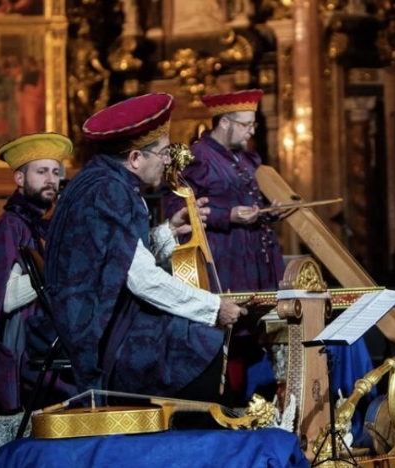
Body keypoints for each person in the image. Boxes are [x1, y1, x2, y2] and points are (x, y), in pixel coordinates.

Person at [44, 93, 245, 402]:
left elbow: (113, 257)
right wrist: (214, 308)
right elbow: (142, 279)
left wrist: (167, 232)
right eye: (164, 152)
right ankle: (199, 435)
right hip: (95, 330)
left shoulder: (103, 180)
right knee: (199, 338)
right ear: (136, 158)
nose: (168, 160)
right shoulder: (109, 191)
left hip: (100, 312)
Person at [162, 89, 284, 403]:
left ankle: (258, 404)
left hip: (256, 261)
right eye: (246, 124)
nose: (252, 131)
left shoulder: (247, 157)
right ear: (226, 122)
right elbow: (176, 206)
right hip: (226, 262)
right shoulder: (199, 156)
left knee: (255, 335)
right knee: (231, 336)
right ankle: (228, 404)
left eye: (253, 124)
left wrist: (274, 207)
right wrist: (226, 215)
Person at [0, 133, 71, 414]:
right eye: (41, 171)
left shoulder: (38, 226)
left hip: (45, 339)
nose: (51, 180)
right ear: (19, 179)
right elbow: (3, 299)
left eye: (56, 172)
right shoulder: (8, 227)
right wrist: (58, 264)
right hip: (26, 356)